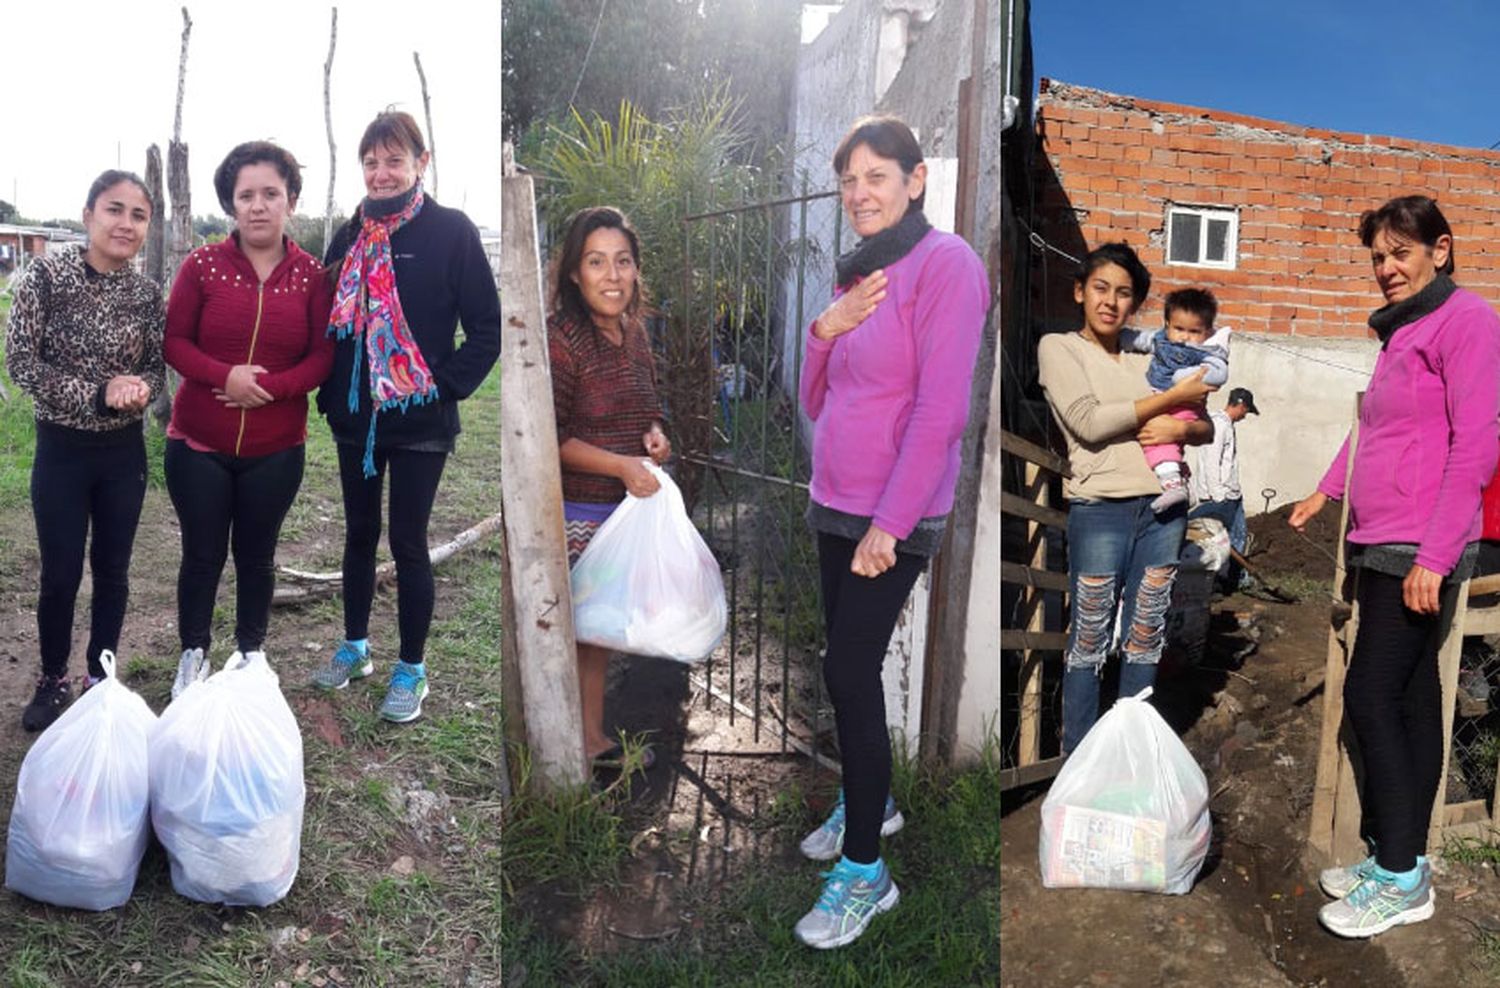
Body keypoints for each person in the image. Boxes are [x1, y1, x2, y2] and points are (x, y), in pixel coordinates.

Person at [793, 115, 989, 950]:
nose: (859, 193)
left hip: (888, 515)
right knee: (845, 667)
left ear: (915, 181)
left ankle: (867, 873)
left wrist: (891, 524)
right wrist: (821, 333)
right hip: (835, 498)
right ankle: (871, 803)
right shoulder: (856, 277)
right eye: (849, 181)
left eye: (876, 176)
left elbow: (943, 411)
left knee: (847, 666)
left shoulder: (947, 265)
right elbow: (815, 399)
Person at [1289, 195, 1500, 938]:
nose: (1385, 268)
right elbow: (1373, 430)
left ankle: (1404, 876)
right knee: (1407, 700)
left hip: (1421, 543)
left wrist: (1436, 556)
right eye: (1377, 256)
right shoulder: (1402, 336)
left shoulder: (1467, 322)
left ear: (1440, 250)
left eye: (1399, 253)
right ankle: (1397, 857)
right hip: (1382, 537)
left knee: (1373, 698)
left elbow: (1475, 444)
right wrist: (1323, 491)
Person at [311, 110, 500, 722]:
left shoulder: (452, 232)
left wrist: (439, 389)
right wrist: (332, 392)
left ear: (422, 163)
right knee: (359, 535)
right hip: (357, 421)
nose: (381, 172)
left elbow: (486, 331)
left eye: (394, 160)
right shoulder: (350, 235)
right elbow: (330, 326)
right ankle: (356, 647)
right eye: (371, 162)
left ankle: (412, 669)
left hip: (420, 424)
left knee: (408, 541)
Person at [163, 142, 334, 696]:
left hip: (276, 448)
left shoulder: (312, 276)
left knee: (257, 557)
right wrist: (224, 376)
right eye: (246, 196)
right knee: (203, 553)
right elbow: (174, 341)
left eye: (270, 194)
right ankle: (193, 654)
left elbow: (321, 357)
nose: (258, 206)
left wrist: (268, 388)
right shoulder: (203, 266)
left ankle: (250, 656)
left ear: (291, 202)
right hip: (198, 445)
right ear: (231, 205)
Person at [1037, 242, 1216, 756]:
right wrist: (1170, 403)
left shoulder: (1150, 357)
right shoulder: (1060, 348)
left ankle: (1129, 760)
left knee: (1145, 638)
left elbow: (1201, 422)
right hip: (1101, 511)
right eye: (1100, 289)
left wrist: (1186, 422)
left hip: (1164, 511)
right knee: (1089, 639)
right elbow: (1090, 423)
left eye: (1124, 294)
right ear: (1079, 292)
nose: (1111, 302)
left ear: (1135, 304)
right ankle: (1079, 760)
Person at [4, 170, 165, 730]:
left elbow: (155, 369)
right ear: (88, 215)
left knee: (114, 570)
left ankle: (101, 676)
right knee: (61, 573)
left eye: (138, 215)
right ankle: (52, 678)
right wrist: (97, 394)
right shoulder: (46, 276)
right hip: (63, 452)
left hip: (123, 455)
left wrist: (140, 389)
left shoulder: (146, 293)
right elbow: (21, 361)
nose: (125, 224)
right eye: (114, 210)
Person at [546, 206, 669, 771]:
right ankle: (585, 743)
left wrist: (655, 438)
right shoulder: (562, 340)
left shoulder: (633, 333)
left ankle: (589, 736)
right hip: (581, 514)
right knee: (587, 637)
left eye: (622, 262)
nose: (612, 275)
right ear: (575, 272)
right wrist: (622, 465)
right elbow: (553, 437)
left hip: (625, 515)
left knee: (602, 634)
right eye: (597, 262)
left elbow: (648, 410)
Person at [1119, 287, 1230, 512]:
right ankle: (1179, 484)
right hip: (1160, 397)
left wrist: (1185, 378)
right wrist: (1120, 337)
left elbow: (1219, 373)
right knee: (1154, 435)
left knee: (1158, 439)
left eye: (1194, 331)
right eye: (1178, 328)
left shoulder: (1208, 351)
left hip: (1186, 405)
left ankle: (1174, 485)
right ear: (1167, 324)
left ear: (1207, 332)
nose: (1184, 336)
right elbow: (1141, 340)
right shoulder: (1161, 339)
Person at [1191, 386, 1259, 590]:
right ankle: (1224, 579)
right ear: (1240, 405)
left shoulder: (1222, 424)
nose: (1246, 415)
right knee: (1217, 538)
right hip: (1222, 495)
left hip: (1230, 493)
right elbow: (1212, 461)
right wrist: (1218, 494)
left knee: (1237, 535)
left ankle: (1233, 578)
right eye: (1246, 410)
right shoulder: (1220, 425)